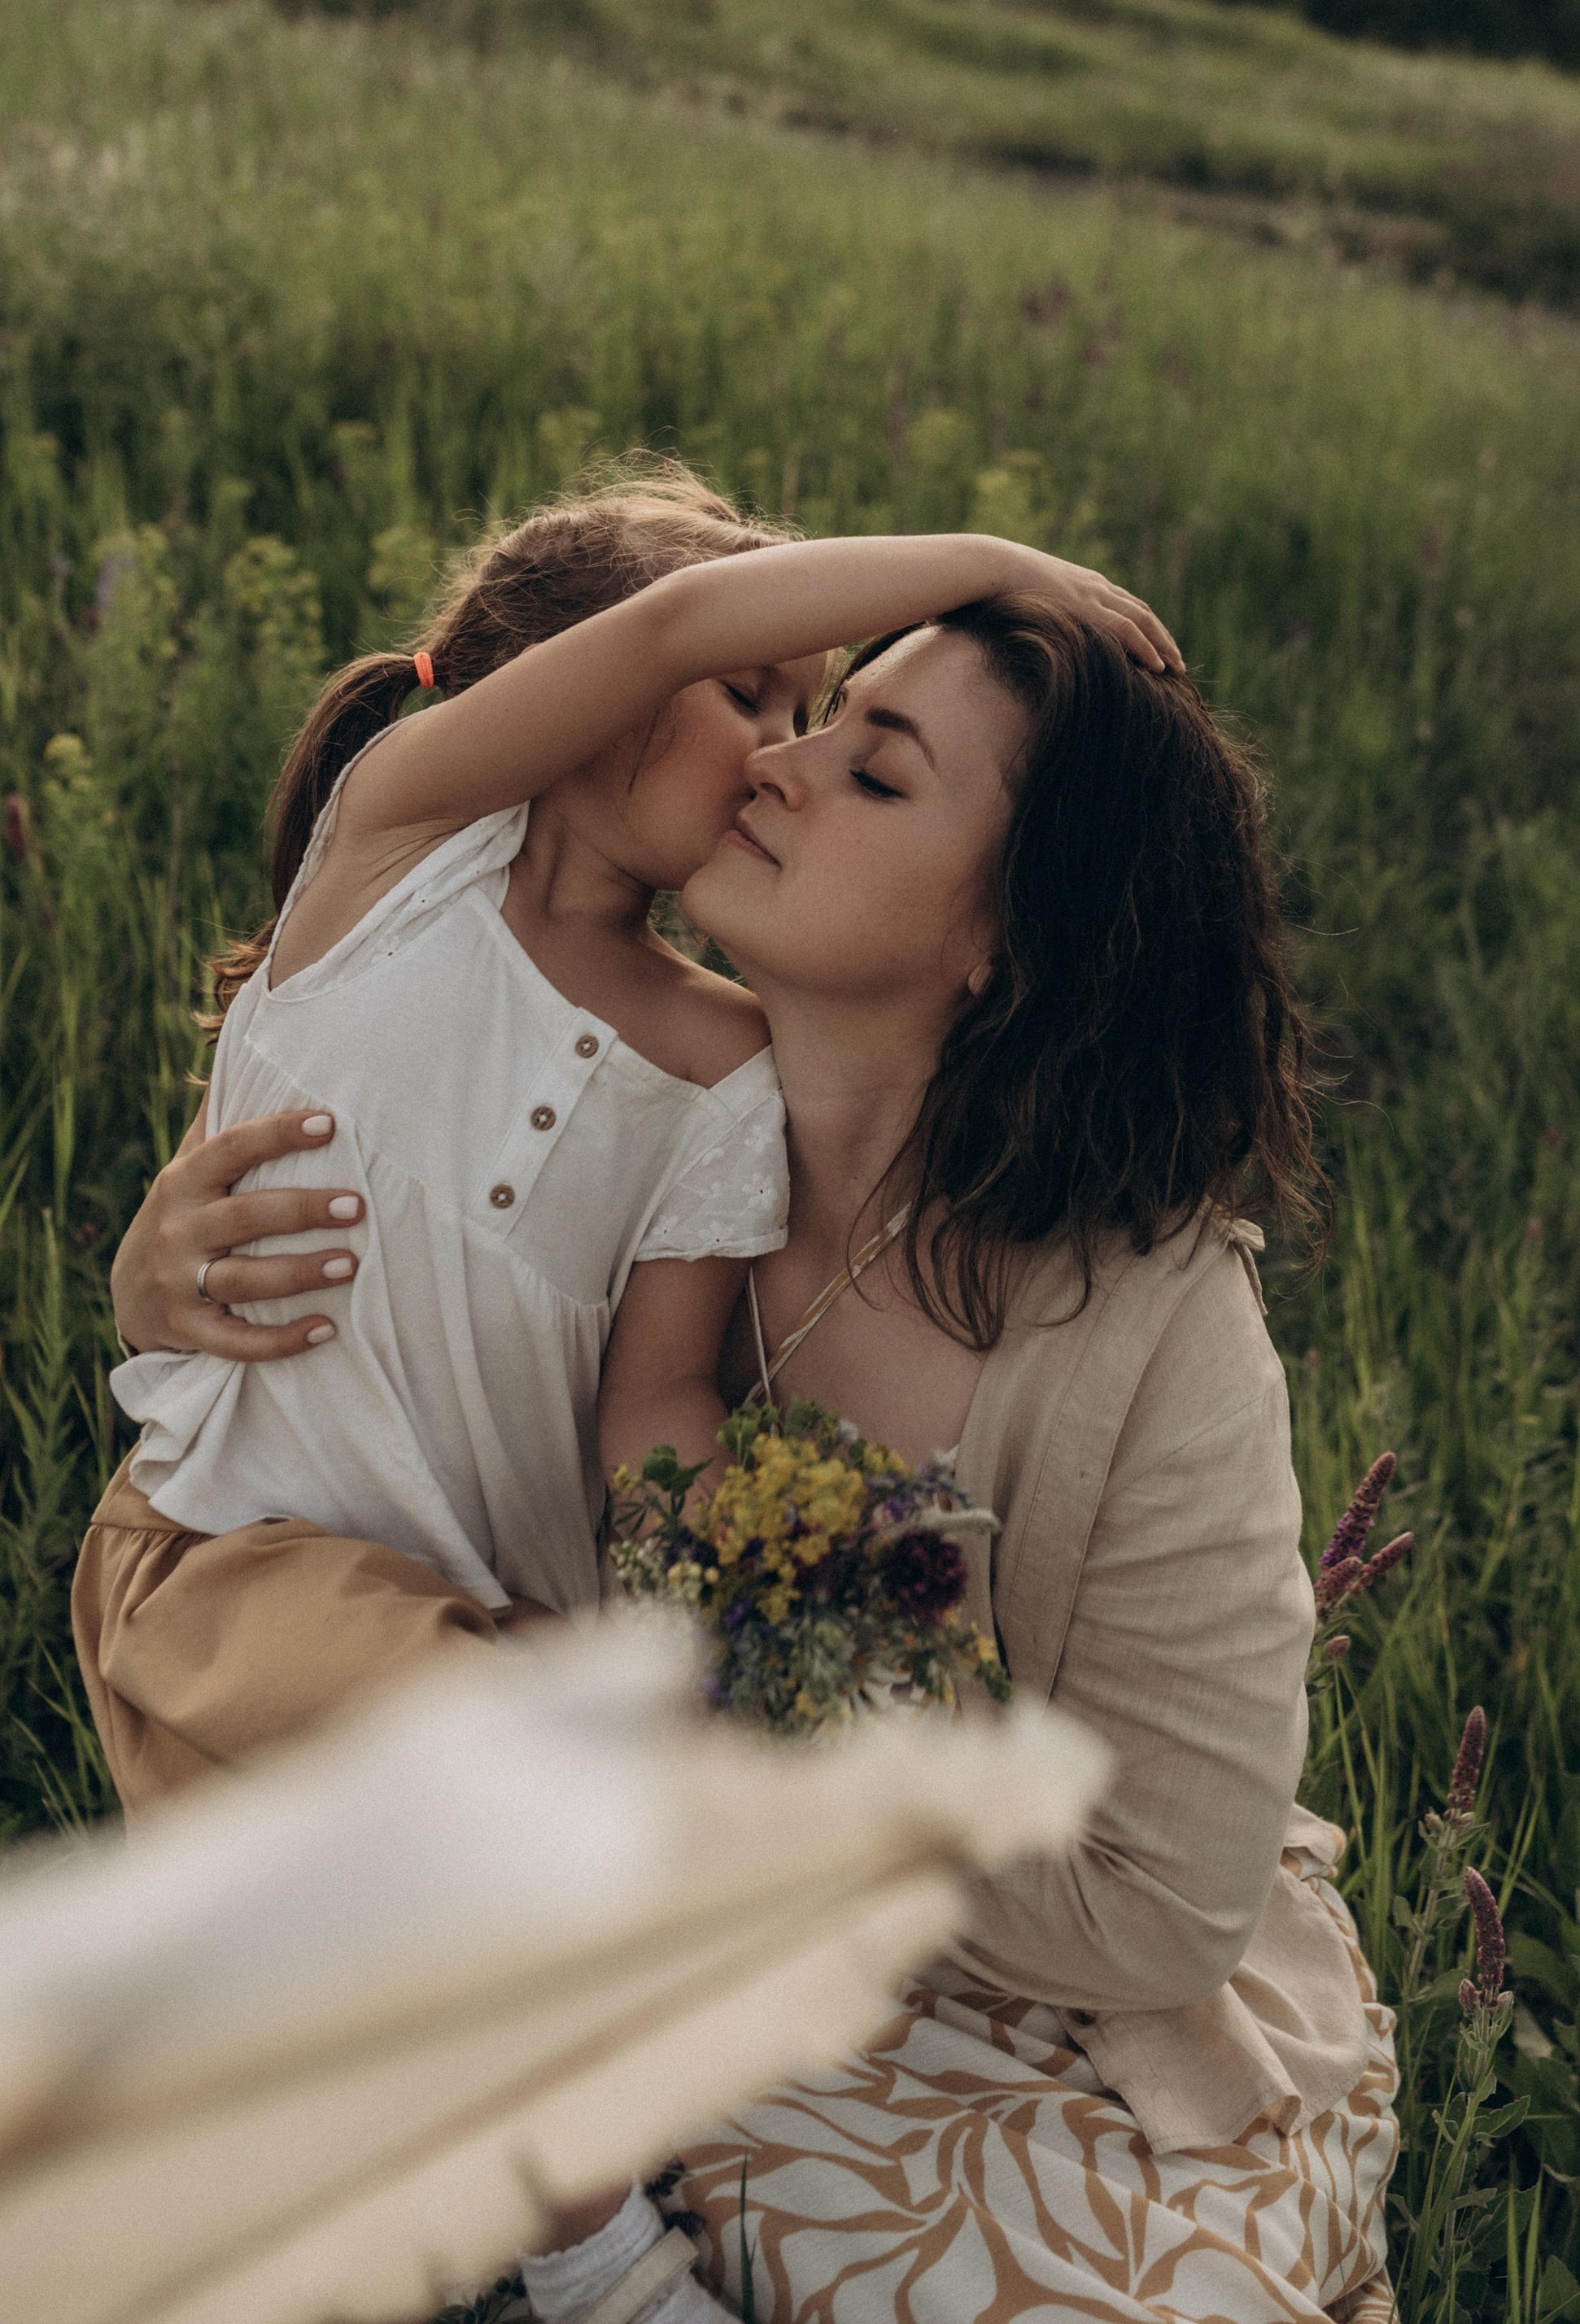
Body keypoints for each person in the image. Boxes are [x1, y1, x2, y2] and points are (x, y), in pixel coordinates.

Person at [107, 601, 1399, 2324]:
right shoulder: (631, 1131)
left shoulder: (1148, 1323)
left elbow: (1160, 1905)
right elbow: (353, 1286)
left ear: (1006, 942)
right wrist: (157, 1276)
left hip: (1032, 1964)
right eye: (807, 717)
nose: (769, 769)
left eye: (868, 767)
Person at [76, 465, 1176, 1819]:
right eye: (748, 694)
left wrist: (739, 1579)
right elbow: (674, 623)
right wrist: (993, 566)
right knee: (545, 1763)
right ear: (580, 693)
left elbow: (653, 1396)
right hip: (231, 1575)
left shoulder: (724, 1065)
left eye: (807, 714)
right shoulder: (400, 850)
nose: (780, 753)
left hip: (495, 1621)